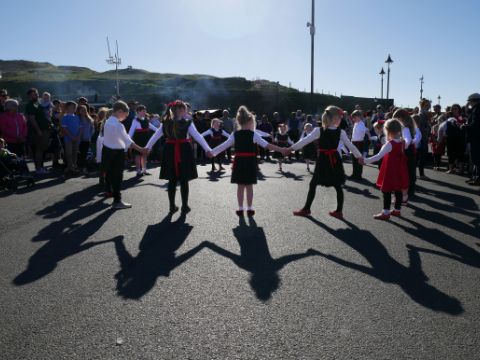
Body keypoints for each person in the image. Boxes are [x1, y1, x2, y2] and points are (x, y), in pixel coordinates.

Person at [209, 106, 287, 216]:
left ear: (239, 122)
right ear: (250, 122)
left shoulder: (235, 134)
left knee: (240, 186)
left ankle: (240, 208)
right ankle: (250, 208)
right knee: (249, 186)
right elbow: (267, 145)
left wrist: (212, 152)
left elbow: (223, 145)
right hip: (250, 161)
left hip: (239, 161)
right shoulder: (253, 134)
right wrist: (282, 149)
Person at [289, 106, 363, 219]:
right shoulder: (321, 130)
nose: (341, 120)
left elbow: (351, 146)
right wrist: (290, 149)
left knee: (330, 185)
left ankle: (313, 209)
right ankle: (311, 209)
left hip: (326, 159)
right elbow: (304, 141)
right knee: (327, 184)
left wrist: (359, 156)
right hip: (331, 160)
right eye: (339, 117)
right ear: (332, 118)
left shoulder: (338, 131)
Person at [145, 100, 213, 214]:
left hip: (170, 150)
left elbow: (155, 136)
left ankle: (174, 206)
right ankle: (183, 206)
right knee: (183, 180)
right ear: (179, 110)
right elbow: (198, 137)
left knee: (173, 180)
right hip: (183, 150)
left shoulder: (166, 123)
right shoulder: (186, 122)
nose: (185, 111)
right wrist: (208, 149)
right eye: (184, 109)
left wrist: (147, 147)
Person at [102, 101, 147, 209]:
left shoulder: (108, 121)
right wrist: (142, 150)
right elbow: (128, 141)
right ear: (120, 111)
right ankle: (117, 201)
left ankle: (110, 193)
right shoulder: (118, 125)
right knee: (117, 177)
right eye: (125, 115)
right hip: (116, 153)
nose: (125, 118)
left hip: (107, 151)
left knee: (110, 175)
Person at [363, 119, 409, 220]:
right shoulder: (402, 142)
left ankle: (386, 212)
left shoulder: (389, 144)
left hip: (390, 171)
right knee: (398, 190)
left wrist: (365, 160)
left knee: (387, 191)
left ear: (388, 131)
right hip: (400, 170)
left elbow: (378, 157)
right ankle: (397, 210)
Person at [25, 88, 52, 175]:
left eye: (36, 94)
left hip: (44, 129)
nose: (36, 95)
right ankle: (39, 168)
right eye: (33, 94)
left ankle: (40, 167)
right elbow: (32, 119)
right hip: (39, 131)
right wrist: (38, 130)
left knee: (42, 149)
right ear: (29, 96)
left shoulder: (37, 104)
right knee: (39, 150)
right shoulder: (30, 105)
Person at [128, 105, 157, 177]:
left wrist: (161, 131)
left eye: (145, 111)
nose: (145, 112)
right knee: (138, 155)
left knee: (144, 154)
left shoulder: (146, 119)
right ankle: (138, 170)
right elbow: (131, 132)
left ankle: (144, 169)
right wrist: (128, 141)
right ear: (138, 112)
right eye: (143, 111)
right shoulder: (135, 121)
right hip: (138, 140)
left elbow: (154, 128)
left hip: (146, 139)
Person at [394, 108, 417, 201]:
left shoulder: (405, 128)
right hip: (410, 152)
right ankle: (409, 191)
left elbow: (407, 140)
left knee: (406, 172)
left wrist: (403, 145)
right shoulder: (408, 126)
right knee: (410, 171)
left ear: (401, 118)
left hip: (406, 152)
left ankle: (407, 192)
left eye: (396, 119)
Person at [61, 101, 83, 175]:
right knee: (69, 153)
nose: (73, 108)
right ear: (67, 108)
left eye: (74, 107)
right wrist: (71, 136)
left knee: (75, 153)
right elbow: (65, 128)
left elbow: (80, 128)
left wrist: (77, 136)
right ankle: (70, 167)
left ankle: (73, 166)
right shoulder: (65, 117)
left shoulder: (77, 117)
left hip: (77, 139)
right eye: (71, 107)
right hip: (68, 139)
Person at [464, 94, 480, 185]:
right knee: (475, 159)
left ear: (473, 101)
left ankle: (477, 178)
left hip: (476, 138)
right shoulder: (475, 109)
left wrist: (464, 127)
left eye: (469, 101)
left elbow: (475, 125)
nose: (469, 103)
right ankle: (475, 177)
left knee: (476, 159)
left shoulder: (477, 110)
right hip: (476, 138)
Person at [350, 110, 370, 180]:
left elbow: (366, 130)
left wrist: (370, 136)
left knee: (358, 159)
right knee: (354, 159)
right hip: (354, 143)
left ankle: (358, 175)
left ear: (358, 117)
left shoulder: (361, 124)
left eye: (354, 117)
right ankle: (354, 174)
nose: (353, 119)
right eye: (353, 118)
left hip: (359, 144)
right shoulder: (356, 123)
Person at [77, 104, 94, 174]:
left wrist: (89, 137)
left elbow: (92, 129)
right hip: (79, 139)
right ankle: (79, 167)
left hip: (87, 139)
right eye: (82, 109)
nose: (84, 111)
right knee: (79, 154)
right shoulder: (77, 118)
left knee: (84, 154)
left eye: (85, 109)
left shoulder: (89, 119)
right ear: (79, 111)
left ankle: (83, 167)